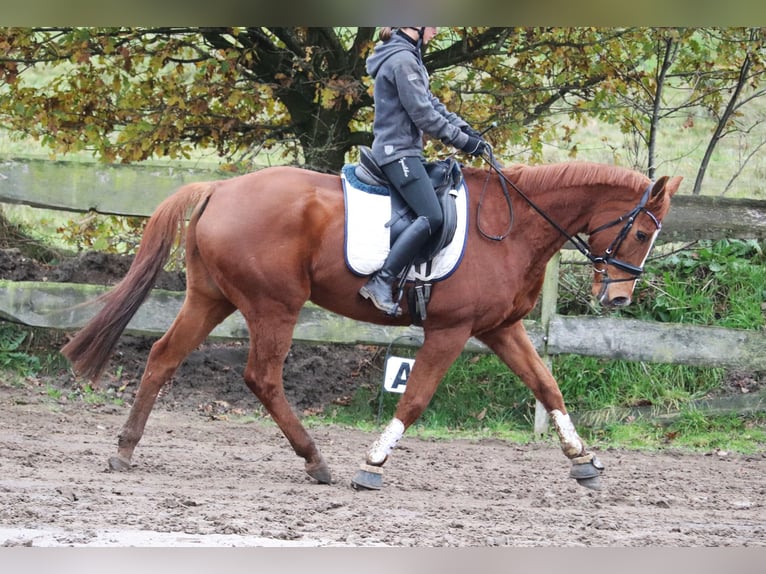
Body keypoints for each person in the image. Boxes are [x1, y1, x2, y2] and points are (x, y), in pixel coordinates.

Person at [359, 26, 488, 317]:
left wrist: (465, 128)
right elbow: (423, 115)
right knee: (432, 215)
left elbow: (431, 103)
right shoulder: (402, 60)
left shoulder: (407, 57)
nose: (437, 30)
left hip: (404, 151)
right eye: (433, 24)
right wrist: (463, 142)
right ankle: (381, 281)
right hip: (397, 154)